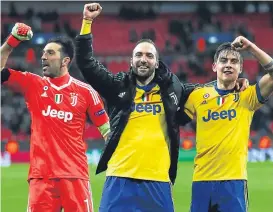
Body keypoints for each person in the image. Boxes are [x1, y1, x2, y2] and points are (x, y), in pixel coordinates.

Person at [75, 3, 249, 212]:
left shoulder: (172, 90)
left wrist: (233, 82)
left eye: (149, 56)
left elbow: (204, 90)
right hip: (119, 179)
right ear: (131, 61)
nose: (143, 59)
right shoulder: (117, 86)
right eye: (138, 55)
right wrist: (87, 22)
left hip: (158, 182)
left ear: (157, 63)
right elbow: (86, 63)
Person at [1, 23, 110, 212]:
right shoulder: (33, 84)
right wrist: (12, 42)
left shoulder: (86, 92)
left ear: (65, 60)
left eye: (50, 53)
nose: (43, 57)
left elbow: (107, 132)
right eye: (43, 53)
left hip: (75, 177)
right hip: (41, 178)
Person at [184, 36, 273, 212]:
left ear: (240, 69)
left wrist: (251, 48)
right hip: (202, 181)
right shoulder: (197, 96)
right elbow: (174, 116)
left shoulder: (247, 97)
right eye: (223, 60)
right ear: (214, 66)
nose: (228, 64)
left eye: (234, 61)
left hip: (234, 182)